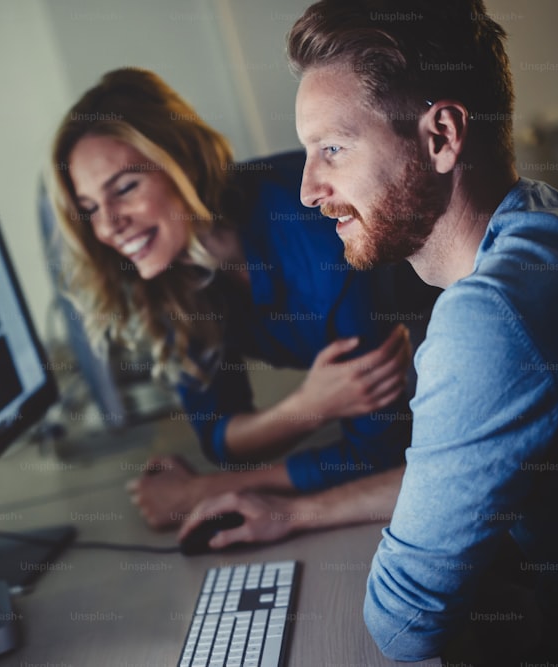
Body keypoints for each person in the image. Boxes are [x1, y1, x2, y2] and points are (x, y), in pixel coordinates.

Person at [181, 0, 558, 663]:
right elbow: (458, 472)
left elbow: (403, 627)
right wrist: (296, 513)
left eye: (333, 149)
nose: (310, 190)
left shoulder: (492, 316)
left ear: (441, 136)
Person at [48, 68, 437, 530]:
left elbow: (381, 457)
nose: (109, 226)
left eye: (126, 188)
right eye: (90, 209)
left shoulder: (320, 236)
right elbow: (218, 434)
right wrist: (306, 408)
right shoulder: (178, 271)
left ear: (184, 163)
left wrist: (202, 491)